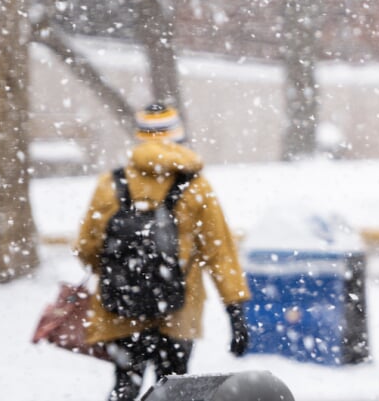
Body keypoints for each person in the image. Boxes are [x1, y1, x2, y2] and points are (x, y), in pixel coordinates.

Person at [77, 103, 251, 401]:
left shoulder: (112, 183)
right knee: (174, 389)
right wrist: (235, 309)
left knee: (125, 385)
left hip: (122, 308)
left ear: (140, 137)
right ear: (178, 137)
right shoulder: (196, 186)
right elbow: (220, 252)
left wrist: (125, 270)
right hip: (178, 310)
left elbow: (87, 247)